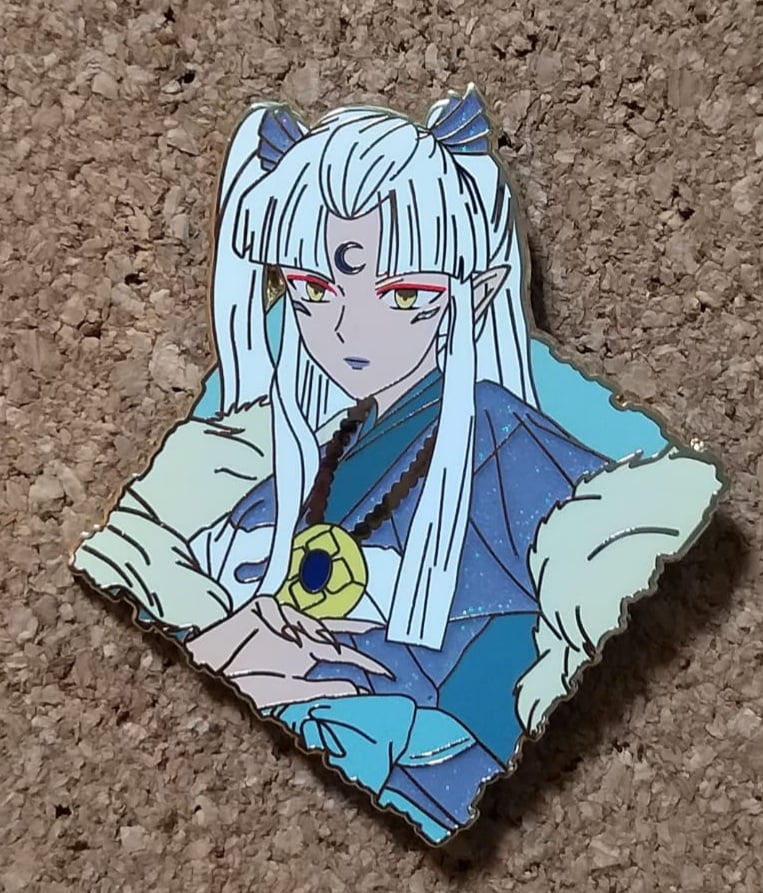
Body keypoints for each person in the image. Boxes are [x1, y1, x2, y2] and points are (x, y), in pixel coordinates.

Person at [73, 87, 724, 843]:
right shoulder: (314, 448)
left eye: (404, 293)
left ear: (476, 290)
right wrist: (224, 641)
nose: (348, 328)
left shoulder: (520, 463)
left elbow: (490, 718)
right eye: (313, 289)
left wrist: (345, 704)